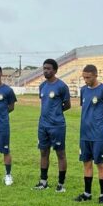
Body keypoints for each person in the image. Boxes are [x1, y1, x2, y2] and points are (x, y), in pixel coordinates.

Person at [74, 64, 103, 203]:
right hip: (84, 134)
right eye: (84, 77)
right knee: (86, 163)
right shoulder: (83, 90)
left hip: (98, 135)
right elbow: (85, 109)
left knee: (100, 163)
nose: (85, 80)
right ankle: (87, 193)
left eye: (88, 77)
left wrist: (100, 123)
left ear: (96, 75)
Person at [33, 59, 71, 192]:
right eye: (44, 68)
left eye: (48, 68)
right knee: (43, 153)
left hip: (57, 126)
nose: (46, 71)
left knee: (60, 154)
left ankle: (61, 184)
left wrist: (56, 113)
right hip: (43, 125)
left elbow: (67, 105)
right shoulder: (42, 86)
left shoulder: (62, 86)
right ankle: (43, 182)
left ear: (55, 70)